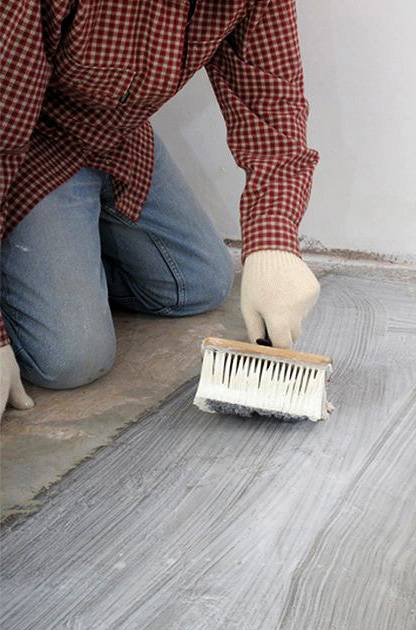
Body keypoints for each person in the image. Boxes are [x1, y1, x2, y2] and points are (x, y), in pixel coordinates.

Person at [0, 1, 321, 417]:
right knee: (71, 359)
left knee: (200, 283)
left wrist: (273, 243)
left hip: (119, 136)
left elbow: (273, 109)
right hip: (30, 144)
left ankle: (59, 267)